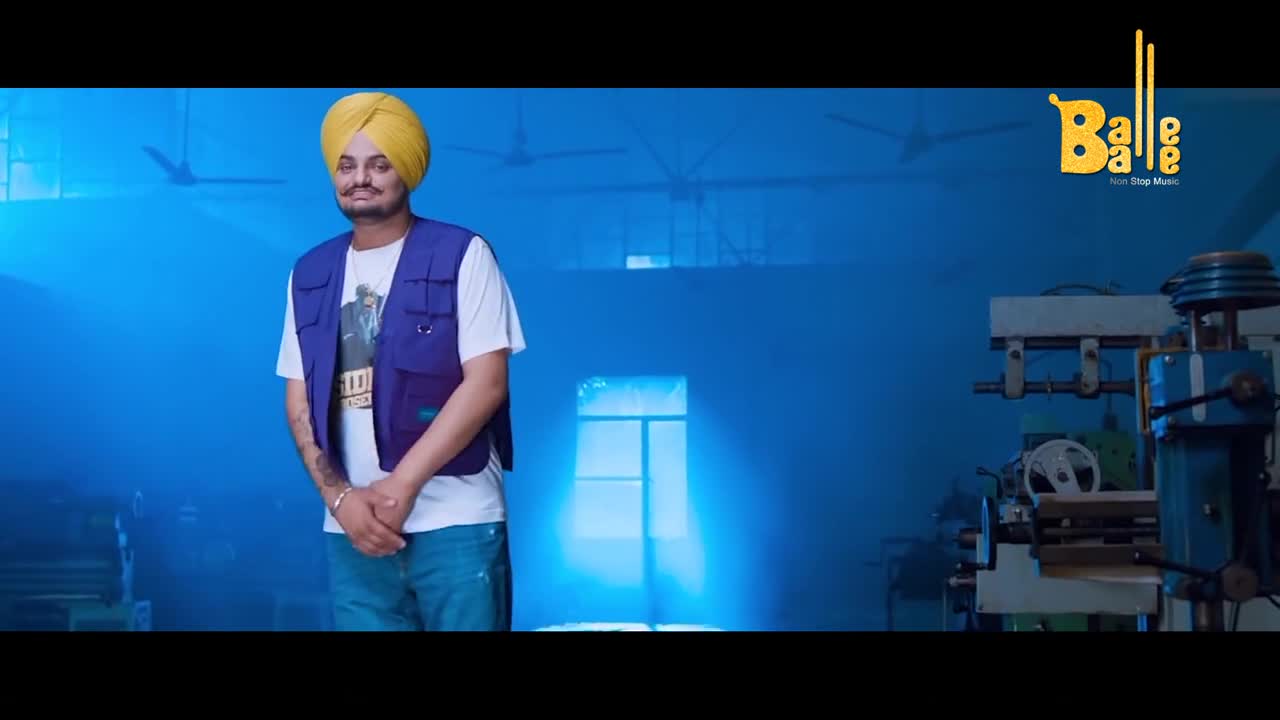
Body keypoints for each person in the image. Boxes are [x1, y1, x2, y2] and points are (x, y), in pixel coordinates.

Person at [275, 91, 526, 631]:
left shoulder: (463, 254)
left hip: (455, 522)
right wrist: (340, 499)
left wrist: (400, 485)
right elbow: (299, 400)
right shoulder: (310, 273)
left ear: (406, 170)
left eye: (378, 163)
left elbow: (486, 384)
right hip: (353, 530)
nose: (359, 177)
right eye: (346, 165)